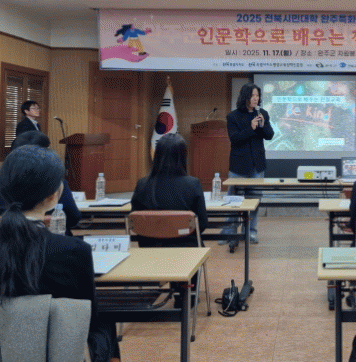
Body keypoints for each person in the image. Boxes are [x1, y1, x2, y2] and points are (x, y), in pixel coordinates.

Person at [0, 145, 120, 362]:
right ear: (54, 196)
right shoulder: (73, 250)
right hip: (59, 352)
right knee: (105, 322)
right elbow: (87, 316)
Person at [130, 133, 207, 247]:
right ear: (183, 156)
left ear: (157, 155)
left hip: (150, 249)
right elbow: (202, 223)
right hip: (186, 249)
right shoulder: (193, 184)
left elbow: (135, 222)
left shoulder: (142, 184)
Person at [0, 131, 82, 235]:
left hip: (10, 236)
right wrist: (41, 219)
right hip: (53, 236)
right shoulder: (57, 183)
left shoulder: (5, 181)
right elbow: (73, 218)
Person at [226, 82, 274, 244]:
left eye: (257, 95)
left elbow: (269, 135)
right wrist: (250, 128)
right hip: (238, 166)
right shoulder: (233, 116)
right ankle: (230, 232)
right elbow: (235, 139)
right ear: (245, 97)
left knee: (254, 200)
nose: (256, 98)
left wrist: (262, 125)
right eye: (253, 95)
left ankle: (251, 232)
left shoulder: (263, 113)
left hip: (257, 165)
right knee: (234, 201)